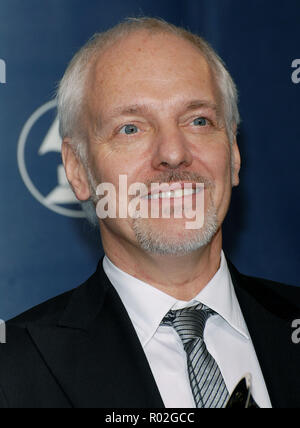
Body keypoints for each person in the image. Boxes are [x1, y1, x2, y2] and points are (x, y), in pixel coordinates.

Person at [0, 17, 299, 409]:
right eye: (130, 129)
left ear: (234, 154)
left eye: (198, 120)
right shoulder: (13, 371)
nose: (173, 153)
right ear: (77, 170)